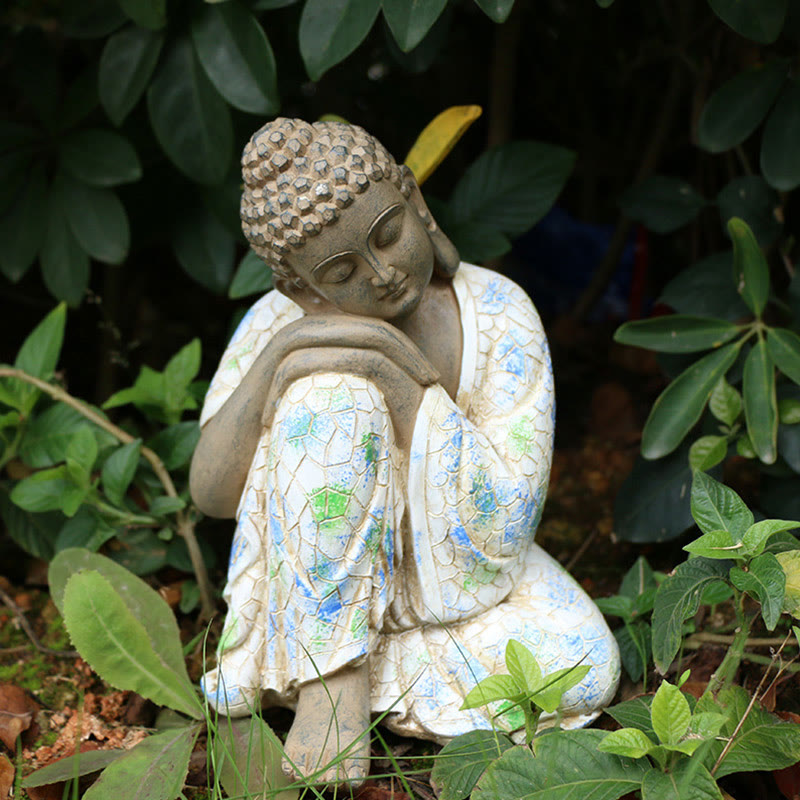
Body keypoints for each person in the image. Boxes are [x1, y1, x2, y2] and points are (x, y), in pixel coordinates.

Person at [190, 118, 620, 786]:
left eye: (388, 234)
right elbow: (212, 494)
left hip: (455, 577)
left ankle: (303, 661)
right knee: (331, 395)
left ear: (415, 200)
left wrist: (401, 381)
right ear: (301, 289)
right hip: (315, 571)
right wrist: (281, 355)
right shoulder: (277, 323)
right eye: (341, 272)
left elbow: (508, 524)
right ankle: (331, 681)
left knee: (585, 665)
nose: (383, 273)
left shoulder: (499, 312)